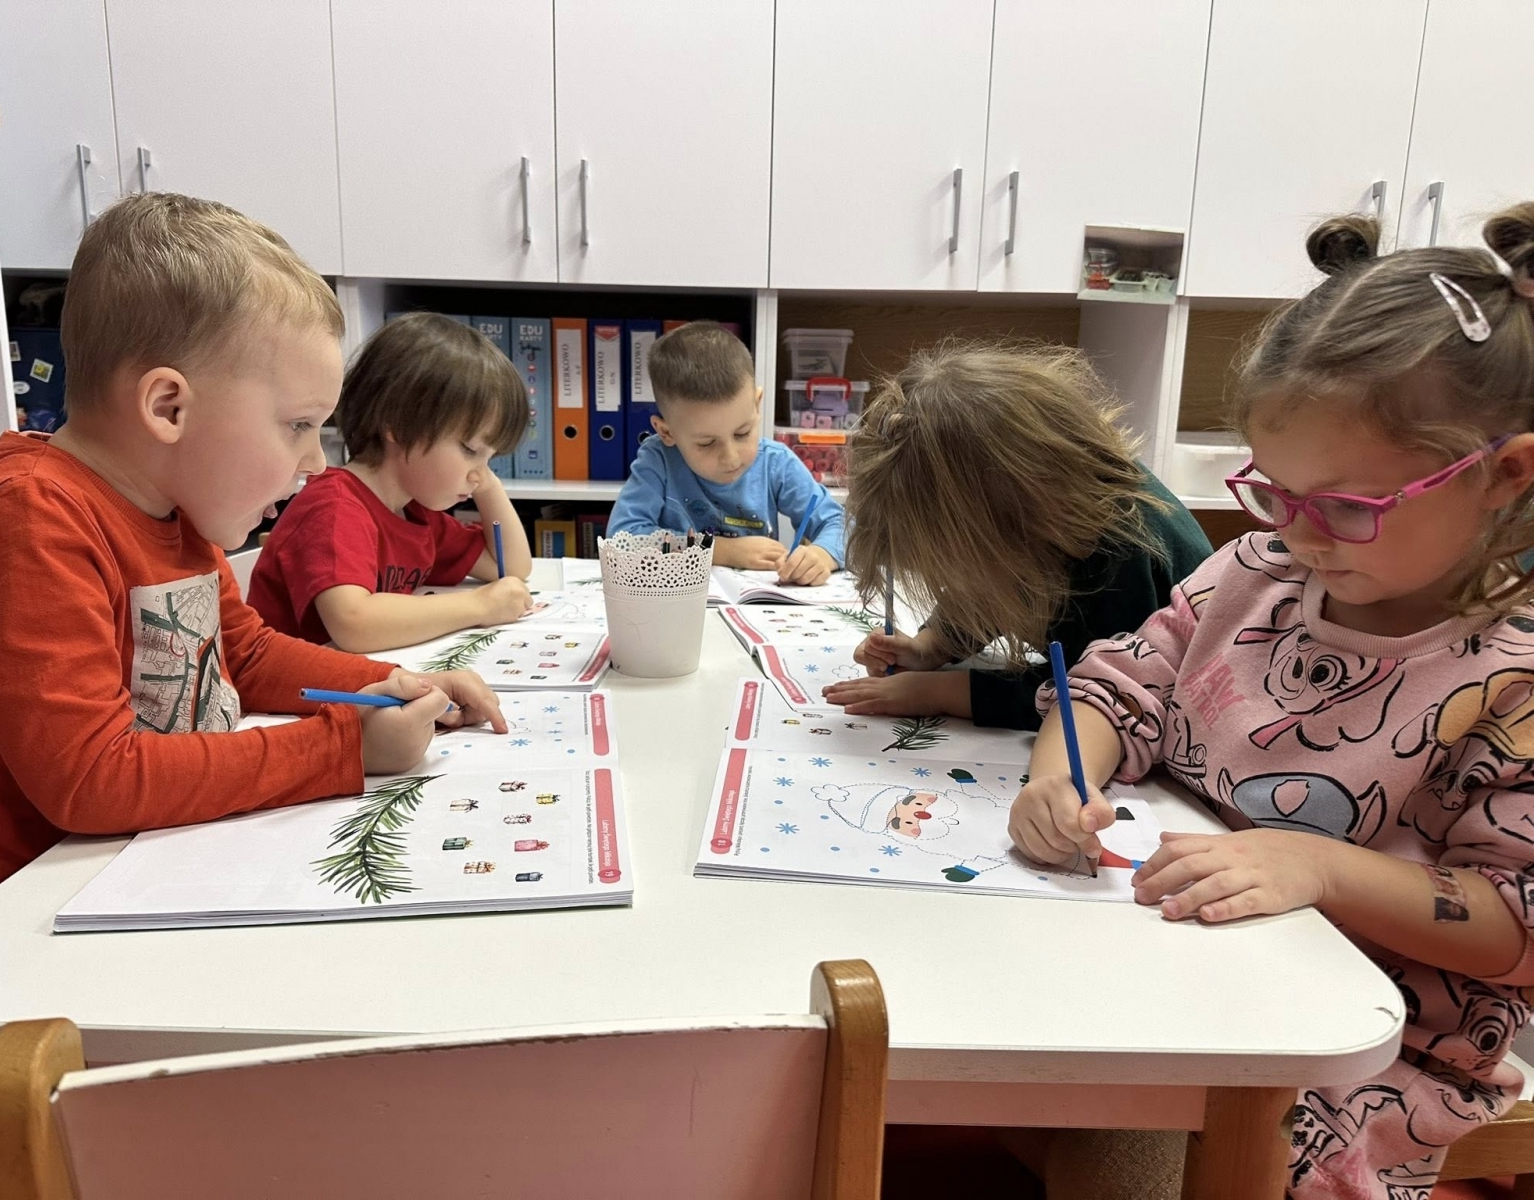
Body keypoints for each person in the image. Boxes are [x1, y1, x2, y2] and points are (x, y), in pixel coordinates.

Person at [1010, 205, 1534, 1198]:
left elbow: (1516, 926)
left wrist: (1316, 865)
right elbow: (1120, 683)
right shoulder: (1254, 573)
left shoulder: (1513, 680)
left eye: (1344, 507)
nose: (1299, 533)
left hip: (1363, 1053)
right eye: (1274, 492)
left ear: (1505, 475)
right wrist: (1057, 776)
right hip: (1189, 965)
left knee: (1139, 1152)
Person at [0, 193, 504, 927]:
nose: (313, 462)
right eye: (298, 425)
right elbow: (93, 777)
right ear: (168, 408)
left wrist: (389, 685)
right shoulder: (29, 517)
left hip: (120, 868)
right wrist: (345, 749)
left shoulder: (173, 509)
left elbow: (246, 654)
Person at [823, 341, 1211, 730]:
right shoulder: (1039, 512)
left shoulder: (1121, 549)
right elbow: (990, 588)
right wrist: (928, 648)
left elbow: (1097, 701)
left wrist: (936, 692)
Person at [250, 313, 534, 651]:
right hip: (286, 684)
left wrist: (487, 485)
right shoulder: (334, 506)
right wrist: (481, 605)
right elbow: (354, 623)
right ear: (398, 425)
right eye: (470, 449)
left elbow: (511, 567)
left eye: (490, 458)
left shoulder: (414, 514)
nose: (479, 472)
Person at [606, 321, 845, 585]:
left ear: (756, 404)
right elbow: (621, 539)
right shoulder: (658, 460)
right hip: (678, 601)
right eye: (707, 443)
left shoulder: (776, 463)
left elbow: (840, 524)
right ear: (666, 432)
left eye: (742, 433)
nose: (731, 458)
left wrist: (822, 555)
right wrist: (719, 550)